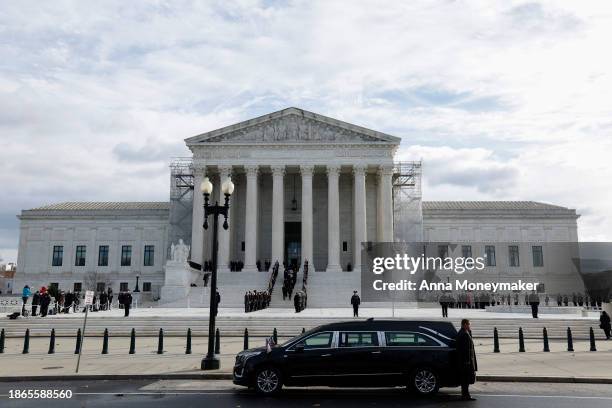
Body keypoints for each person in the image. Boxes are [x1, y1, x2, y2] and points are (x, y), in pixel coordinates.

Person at [456, 318, 477, 401]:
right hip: (466, 362)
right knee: (465, 379)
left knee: (465, 379)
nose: (469, 326)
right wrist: (467, 361)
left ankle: (465, 394)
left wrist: (470, 332)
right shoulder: (463, 334)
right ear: (465, 324)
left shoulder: (465, 332)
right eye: (468, 324)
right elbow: (464, 350)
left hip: (465, 361)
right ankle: (466, 395)